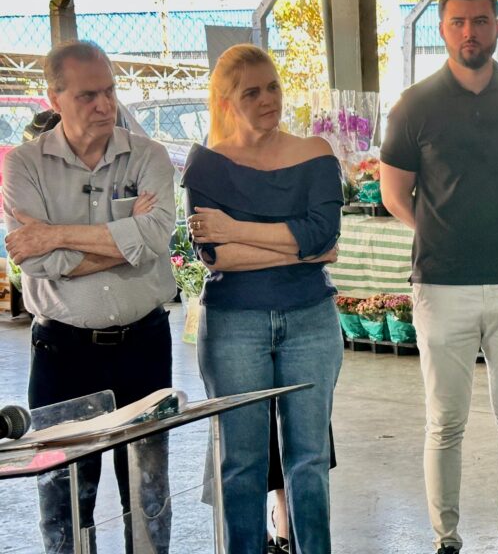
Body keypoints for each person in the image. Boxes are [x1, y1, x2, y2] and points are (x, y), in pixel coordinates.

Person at [379, 0, 498, 552]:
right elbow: (394, 194)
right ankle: (447, 539)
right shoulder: (414, 106)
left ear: (497, 26)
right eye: (458, 22)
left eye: (480, 21)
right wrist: (444, 232)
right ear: (442, 29)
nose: (470, 32)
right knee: (444, 423)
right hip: (441, 285)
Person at [2, 40, 176, 553]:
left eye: (110, 91)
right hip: (63, 352)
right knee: (63, 496)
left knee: (148, 492)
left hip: (144, 346)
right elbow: (37, 263)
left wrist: (56, 234)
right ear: (53, 98)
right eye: (88, 96)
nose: (105, 105)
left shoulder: (148, 155)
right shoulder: (24, 166)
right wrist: (126, 241)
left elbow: (157, 237)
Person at [182, 43, 343, 553]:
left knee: (309, 461)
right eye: (251, 92)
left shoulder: (316, 153)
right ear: (226, 102)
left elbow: (325, 235)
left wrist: (236, 228)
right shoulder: (205, 165)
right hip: (233, 325)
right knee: (241, 465)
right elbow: (217, 257)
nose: (268, 99)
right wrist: (300, 247)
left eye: (272, 86)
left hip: (312, 321)